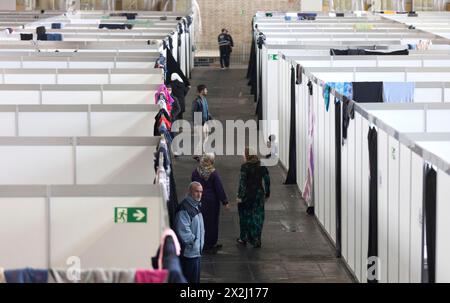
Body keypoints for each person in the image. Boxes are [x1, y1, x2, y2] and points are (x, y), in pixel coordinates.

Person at [191, 153, 229, 253]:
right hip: (211, 202)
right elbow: (219, 188)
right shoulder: (213, 173)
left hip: (199, 200)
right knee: (212, 222)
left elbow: (192, 184)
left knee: (201, 221)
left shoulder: (196, 171)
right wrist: (225, 201)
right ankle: (211, 243)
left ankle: (201, 242)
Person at [236, 147, 270, 248]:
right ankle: (256, 239)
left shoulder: (245, 167)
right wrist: (267, 193)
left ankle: (244, 237)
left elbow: (242, 183)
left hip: (247, 195)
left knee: (244, 216)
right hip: (259, 195)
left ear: (247, 155)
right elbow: (267, 181)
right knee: (258, 217)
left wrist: (240, 196)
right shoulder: (262, 165)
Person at [174, 182, 205, 283]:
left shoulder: (195, 206)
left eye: (201, 192)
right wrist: (194, 241)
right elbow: (182, 230)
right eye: (196, 191)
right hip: (189, 254)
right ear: (190, 192)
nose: (199, 194)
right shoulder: (184, 208)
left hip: (196, 252)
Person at [192, 85, 213, 161]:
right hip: (200, 124)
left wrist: (210, 118)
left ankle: (197, 154)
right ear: (201, 91)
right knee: (202, 140)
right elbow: (194, 114)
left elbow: (206, 111)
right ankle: (202, 155)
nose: (207, 91)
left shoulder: (204, 99)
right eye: (205, 90)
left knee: (205, 139)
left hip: (205, 123)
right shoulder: (196, 101)